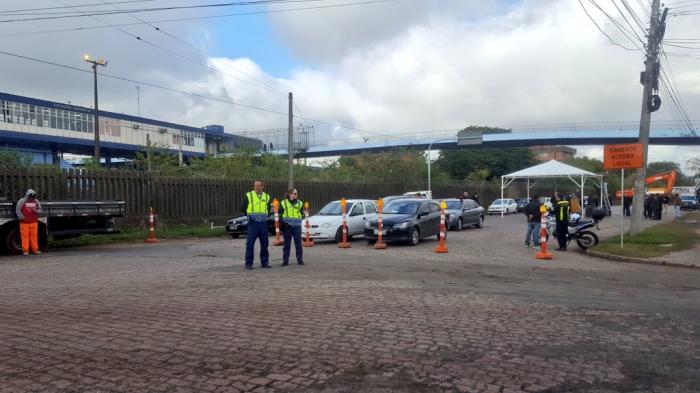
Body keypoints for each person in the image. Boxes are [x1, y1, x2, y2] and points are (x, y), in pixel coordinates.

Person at [241, 180, 272, 270]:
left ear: (262, 187)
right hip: (253, 223)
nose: (256, 187)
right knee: (250, 243)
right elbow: (244, 207)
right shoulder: (249, 195)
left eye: (258, 186)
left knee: (264, 243)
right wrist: (251, 216)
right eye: (255, 186)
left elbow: (268, 208)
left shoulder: (267, 197)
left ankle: (264, 263)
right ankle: (249, 263)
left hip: (263, 223)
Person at [280, 187, 304, 266]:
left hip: (297, 226)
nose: (296, 195)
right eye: (295, 193)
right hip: (287, 227)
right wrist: (283, 223)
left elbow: (302, 214)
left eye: (297, 193)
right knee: (287, 244)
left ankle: (300, 260)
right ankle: (285, 261)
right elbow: (280, 215)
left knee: (298, 244)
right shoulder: (283, 203)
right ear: (290, 194)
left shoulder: (300, 203)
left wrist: (301, 218)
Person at [16, 189, 42, 256]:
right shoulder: (21, 201)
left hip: (34, 222)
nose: (32, 197)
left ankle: (35, 250)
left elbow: (40, 210)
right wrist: (23, 218)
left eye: (33, 196)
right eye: (31, 196)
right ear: (28, 195)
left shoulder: (36, 201)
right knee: (25, 237)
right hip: (24, 223)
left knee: (34, 237)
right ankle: (25, 251)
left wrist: (35, 211)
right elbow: (18, 210)